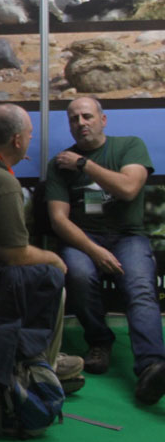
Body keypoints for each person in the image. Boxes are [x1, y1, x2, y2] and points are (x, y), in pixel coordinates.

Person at [45, 96, 165, 405]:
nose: (81, 123)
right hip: (83, 237)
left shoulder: (129, 146)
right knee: (79, 274)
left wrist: (83, 164)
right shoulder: (59, 164)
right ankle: (99, 342)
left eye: (87, 116)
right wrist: (95, 251)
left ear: (103, 119)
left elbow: (128, 188)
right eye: (74, 119)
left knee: (140, 287)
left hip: (128, 236)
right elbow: (59, 219)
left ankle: (152, 367)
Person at [0, 103, 84, 391]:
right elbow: (14, 254)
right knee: (53, 276)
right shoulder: (3, 181)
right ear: (17, 140)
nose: (31, 138)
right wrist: (52, 259)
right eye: (29, 134)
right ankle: (44, 366)